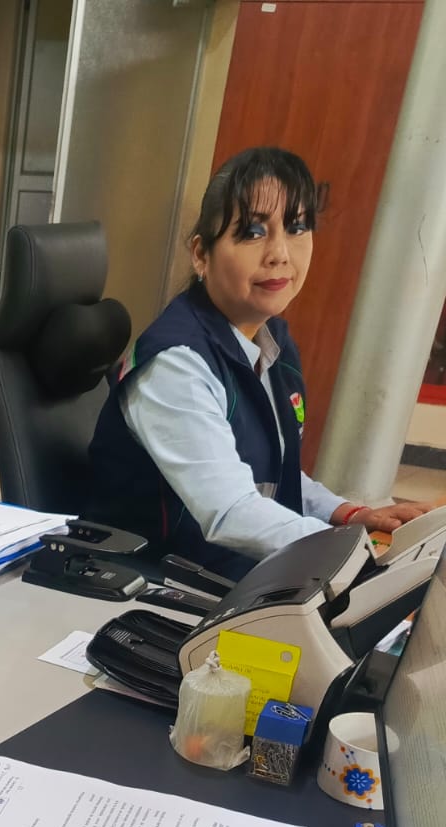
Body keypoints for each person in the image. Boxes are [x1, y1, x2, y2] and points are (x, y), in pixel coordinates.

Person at [84, 146, 434, 578]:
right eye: (252, 232)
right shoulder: (177, 365)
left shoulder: (272, 343)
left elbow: (269, 472)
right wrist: (359, 556)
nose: (280, 253)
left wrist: (350, 514)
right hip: (155, 583)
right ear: (201, 254)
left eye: (297, 227)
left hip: (229, 573)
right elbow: (232, 511)